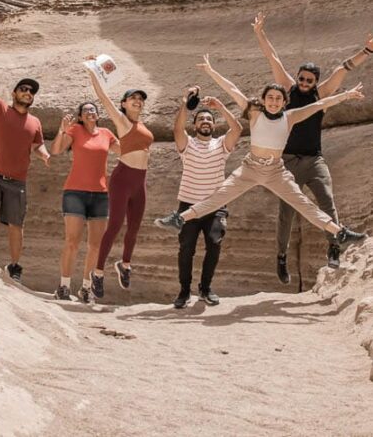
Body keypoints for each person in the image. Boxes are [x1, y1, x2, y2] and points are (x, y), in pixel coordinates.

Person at [155, 55, 365, 259]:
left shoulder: (290, 117)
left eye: (278, 99)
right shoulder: (255, 114)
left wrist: (346, 96)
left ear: (285, 102)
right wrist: (211, 72)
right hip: (250, 169)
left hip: (275, 171)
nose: (274, 102)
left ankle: (340, 233)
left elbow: (318, 105)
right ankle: (179, 218)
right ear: (263, 100)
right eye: (270, 98)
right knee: (218, 198)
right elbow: (233, 89)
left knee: (303, 204)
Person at [253, 12, 369, 281]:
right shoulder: (288, 90)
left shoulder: (321, 94)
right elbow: (273, 58)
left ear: (316, 82)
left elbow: (343, 68)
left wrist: (367, 50)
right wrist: (259, 32)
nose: (304, 83)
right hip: (288, 163)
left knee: (327, 202)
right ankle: (281, 257)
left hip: (314, 160)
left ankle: (334, 247)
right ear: (297, 77)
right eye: (302, 78)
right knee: (287, 213)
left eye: (309, 80)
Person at [0, 41, 50, 282]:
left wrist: (44, 154)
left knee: (16, 225)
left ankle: (15, 266)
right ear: (14, 93)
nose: (28, 93)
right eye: (24, 89)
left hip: (17, 181)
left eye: (32, 92)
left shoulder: (35, 122)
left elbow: (37, 145)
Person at [164, 86, 242, 308]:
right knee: (186, 249)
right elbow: (177, 128)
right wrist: (185, 103)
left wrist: (221, 107)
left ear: (214, 125)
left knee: (214, 244)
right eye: (201, 119)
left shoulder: (221, 145)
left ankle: (205, 288)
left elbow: (237, 129)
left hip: (215, 206)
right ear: (195, 125)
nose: (206, 121)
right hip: (188, 206)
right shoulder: (187, 144)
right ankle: (184, 290)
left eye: (209, 119)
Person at [85, 58, 154, 299]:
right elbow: (103, 98)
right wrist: (93, 72)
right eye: (133, 98)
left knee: (134, 227)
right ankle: (99, 272)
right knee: (114, 226)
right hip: (123, 178)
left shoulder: (143, 125)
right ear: (124, 104)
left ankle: (124, 265)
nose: (138, 101)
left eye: (141, 99)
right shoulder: (122, 121)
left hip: (140, 181)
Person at [50, 102, 120, 302]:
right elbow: (55, 150)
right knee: (72, 242)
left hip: (100, 194)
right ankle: (63, 287)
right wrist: (61, 131)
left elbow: (124, 152)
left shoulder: (106, 133)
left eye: (94, 109)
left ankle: (86, 289)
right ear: (80, 116)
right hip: (75, 193)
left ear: (98, 115)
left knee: (96, 245)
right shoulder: (75, 130)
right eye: (86, 110)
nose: (91, 112)